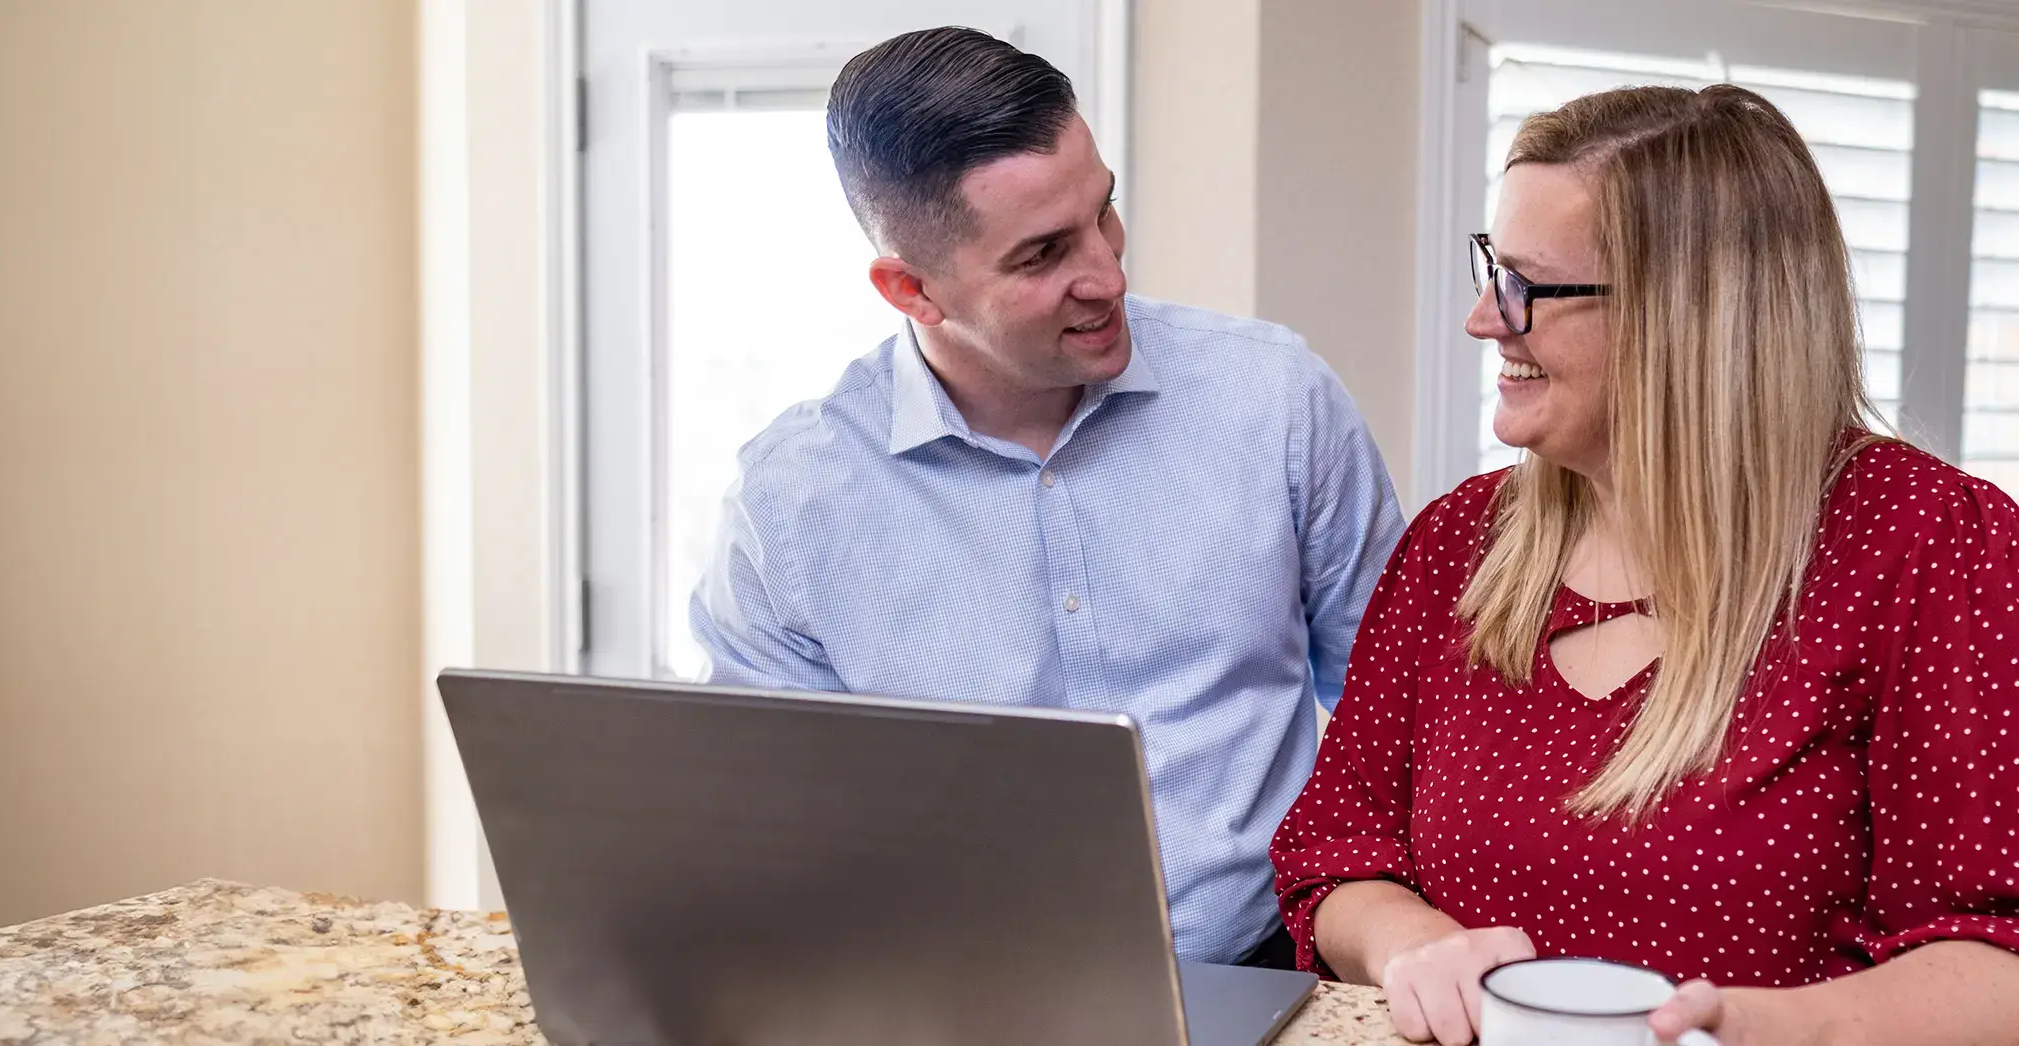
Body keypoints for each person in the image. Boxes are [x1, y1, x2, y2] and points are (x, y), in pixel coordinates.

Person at [1269, 84, 2019, 1046]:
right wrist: (1408, 941)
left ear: (1689, 315)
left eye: (1528, 285)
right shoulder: (1460, 543)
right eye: (1493, 268)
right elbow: (1336, 850)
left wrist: (1761, 1028)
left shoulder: (1927, 544)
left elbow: (1995, 953)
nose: (1484, 320)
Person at [689, 26, 1405, 968]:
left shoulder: (1275, 401)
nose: (1107, 274)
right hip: (948, 995)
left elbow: (1403, 711)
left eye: (1105, 213)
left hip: (1272, 968)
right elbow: (770, 824)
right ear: (912, 290)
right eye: (1042, 256)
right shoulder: (791, 504)